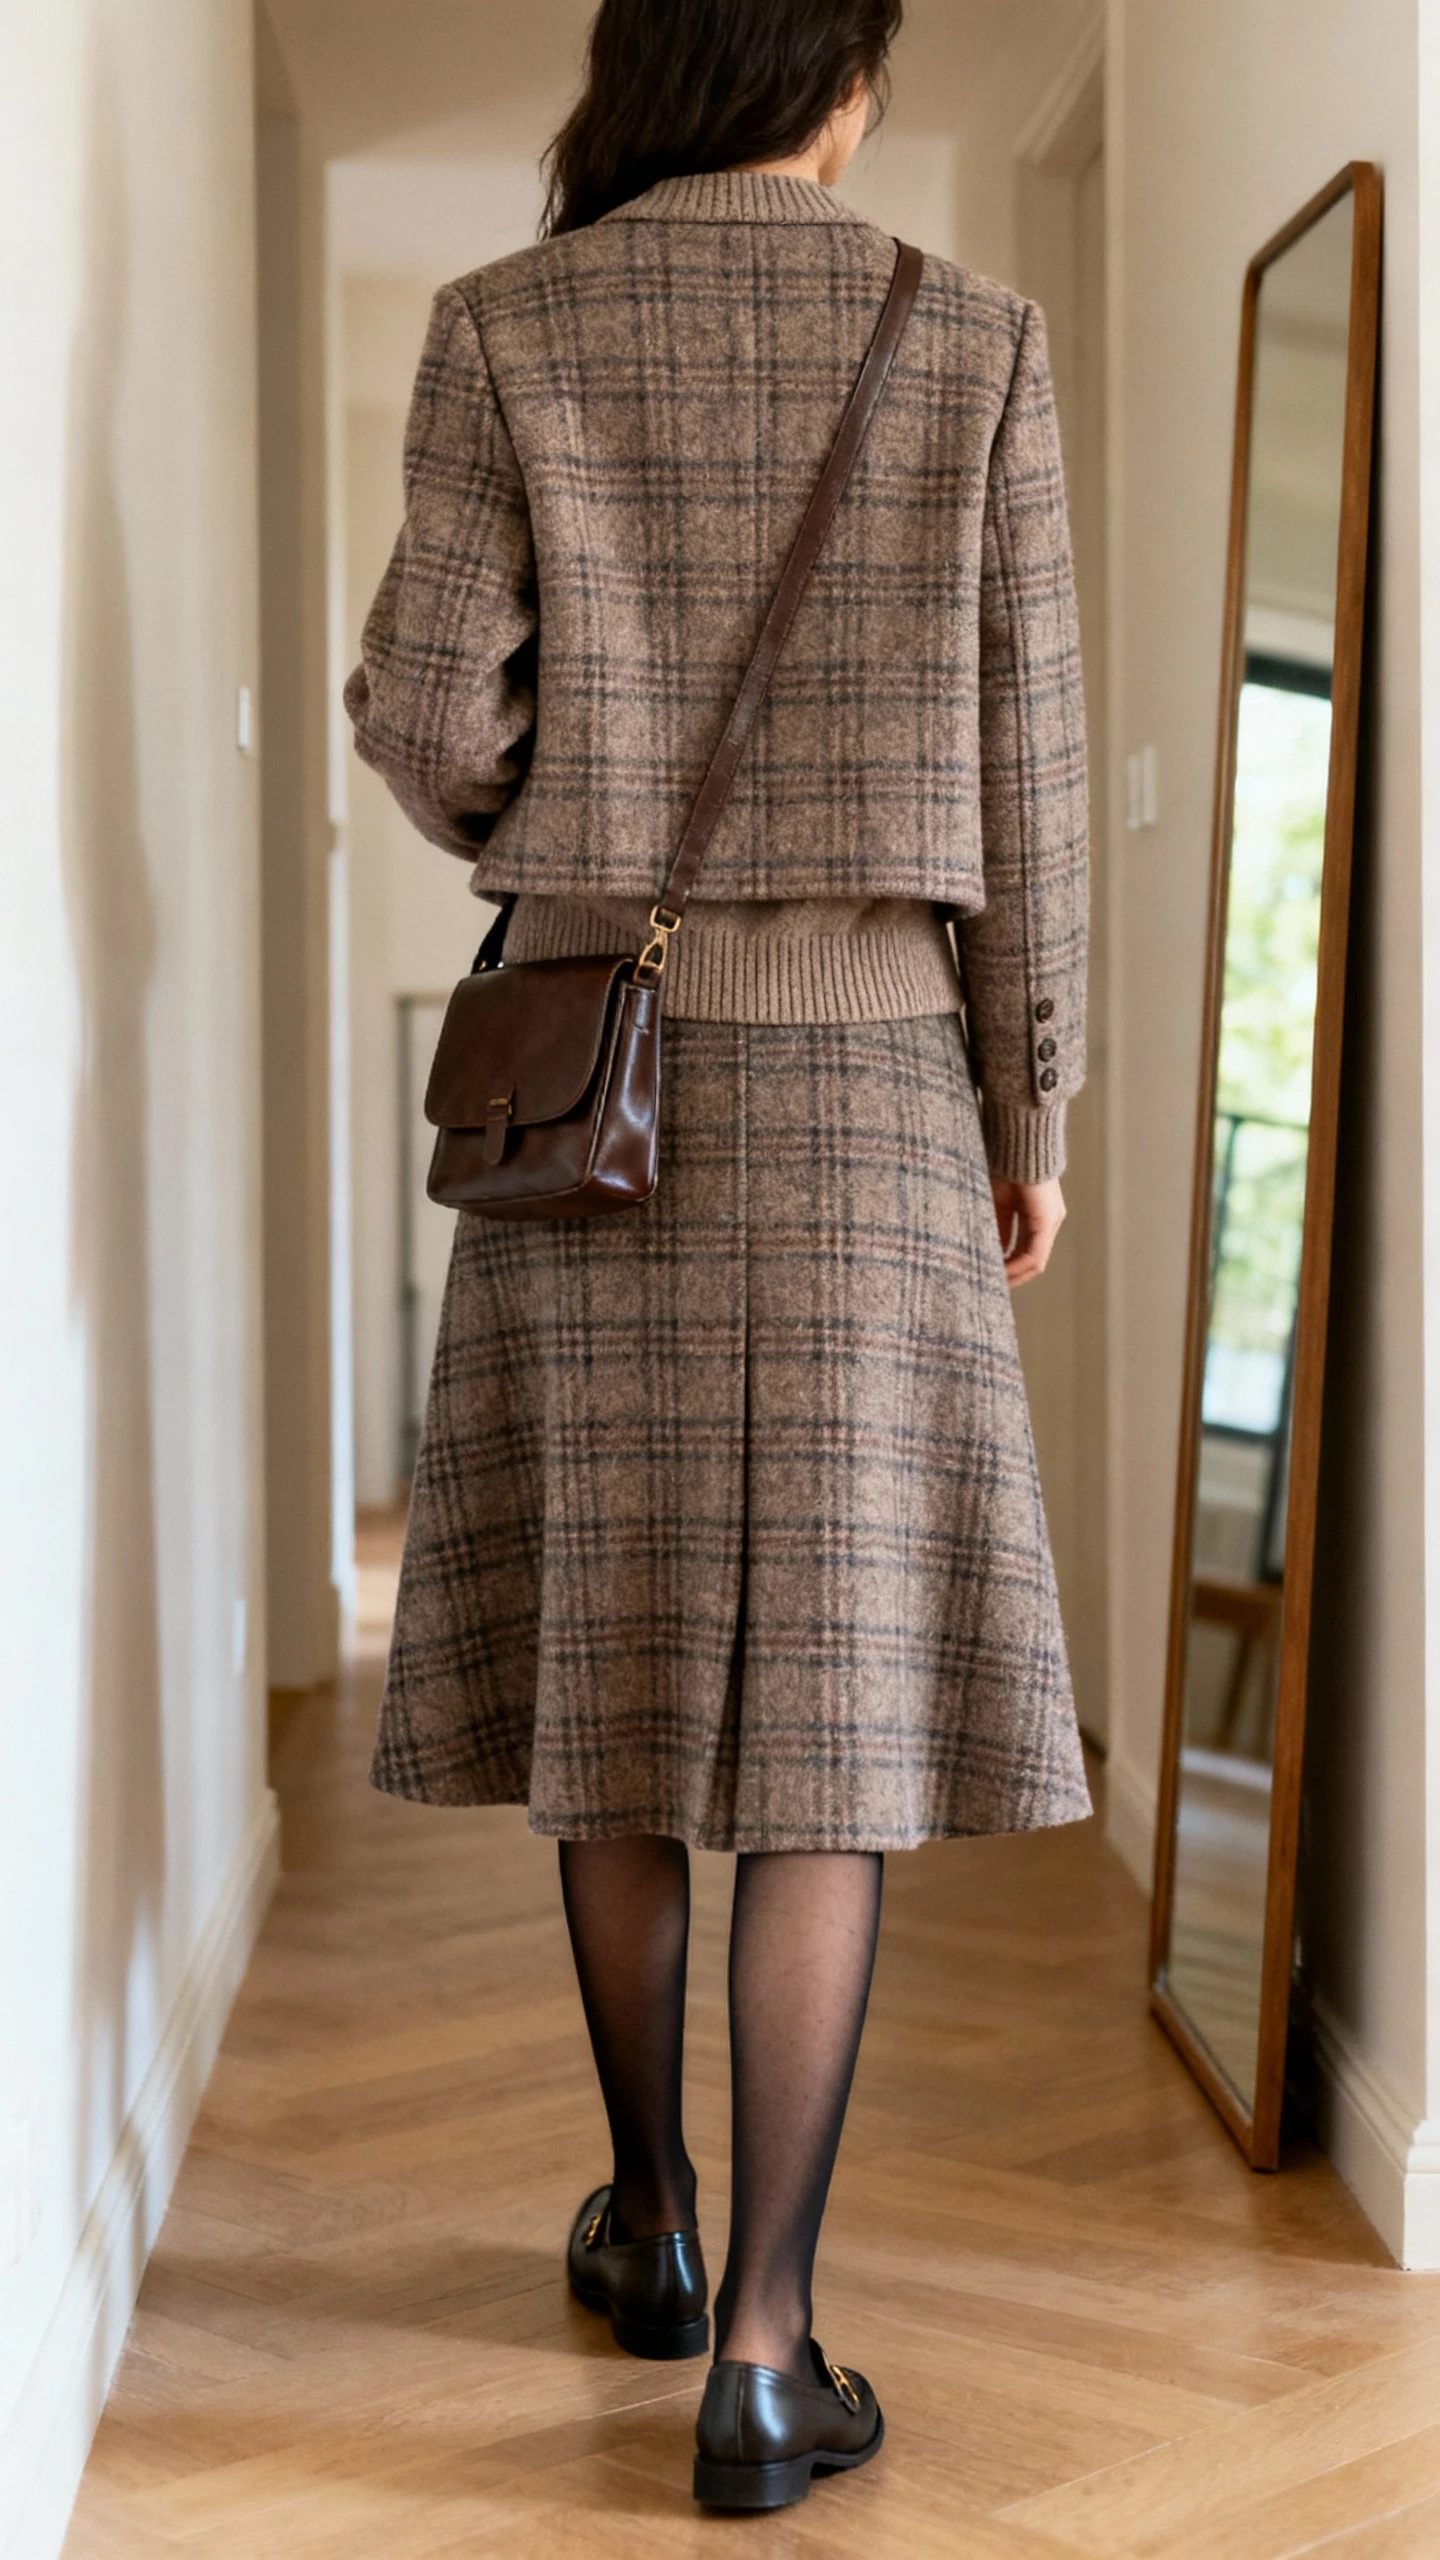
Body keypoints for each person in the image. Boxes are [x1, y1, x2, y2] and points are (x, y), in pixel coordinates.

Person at [345, 0, 1090, 2513]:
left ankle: (648, 2214)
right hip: (878, 1092)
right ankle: (764, 2352)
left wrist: (566, 833)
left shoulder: (505, 323)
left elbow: (418, 709)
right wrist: (1029, 1101)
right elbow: (1033, 769)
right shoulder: (973, 340)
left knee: (623, 1667)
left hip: (606, 1099)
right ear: (841, 80)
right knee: (829, 1721)